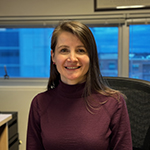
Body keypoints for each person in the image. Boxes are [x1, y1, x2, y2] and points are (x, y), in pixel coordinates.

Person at [26, 21, 132, 150]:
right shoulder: (39, 103)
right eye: (64, 50)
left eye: (80, 50)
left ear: (90, 57)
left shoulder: (114, 103)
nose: (72, 58)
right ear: (53, 56)